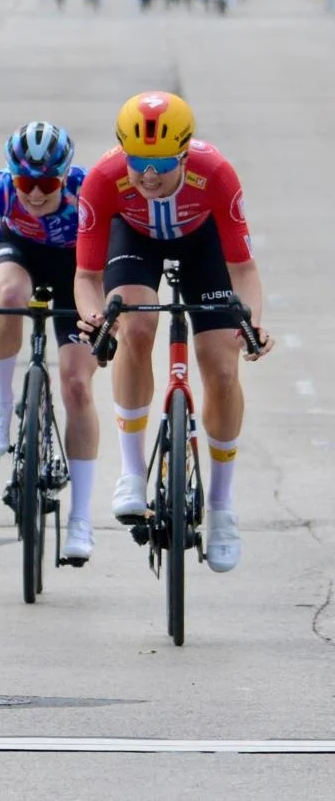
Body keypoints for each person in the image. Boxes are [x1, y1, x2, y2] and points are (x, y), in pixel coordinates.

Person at [73, 92, 273, 574]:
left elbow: (243, 268)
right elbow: (86, 277)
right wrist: (95, 317)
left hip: (203, 245)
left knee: (222, 367)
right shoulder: (104, 179)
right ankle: (130, 472)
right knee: (135, 326)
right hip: (134, 241)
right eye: (138, 160)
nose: (147, 174)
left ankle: (222, 510)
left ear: (183, 154)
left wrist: (253, 323)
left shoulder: (216, 174)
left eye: (161, 162)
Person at [0, 123, 99, 562]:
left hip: (75, 267)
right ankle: (1, 403)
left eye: (47, 183)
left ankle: (82, 520)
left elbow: (101, 271)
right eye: (26, 183)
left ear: (65, 176)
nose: (35, 194)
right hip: (17, 254)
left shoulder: (86, 192)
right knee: (9, 296)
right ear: (11, 176)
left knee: (77, 386)